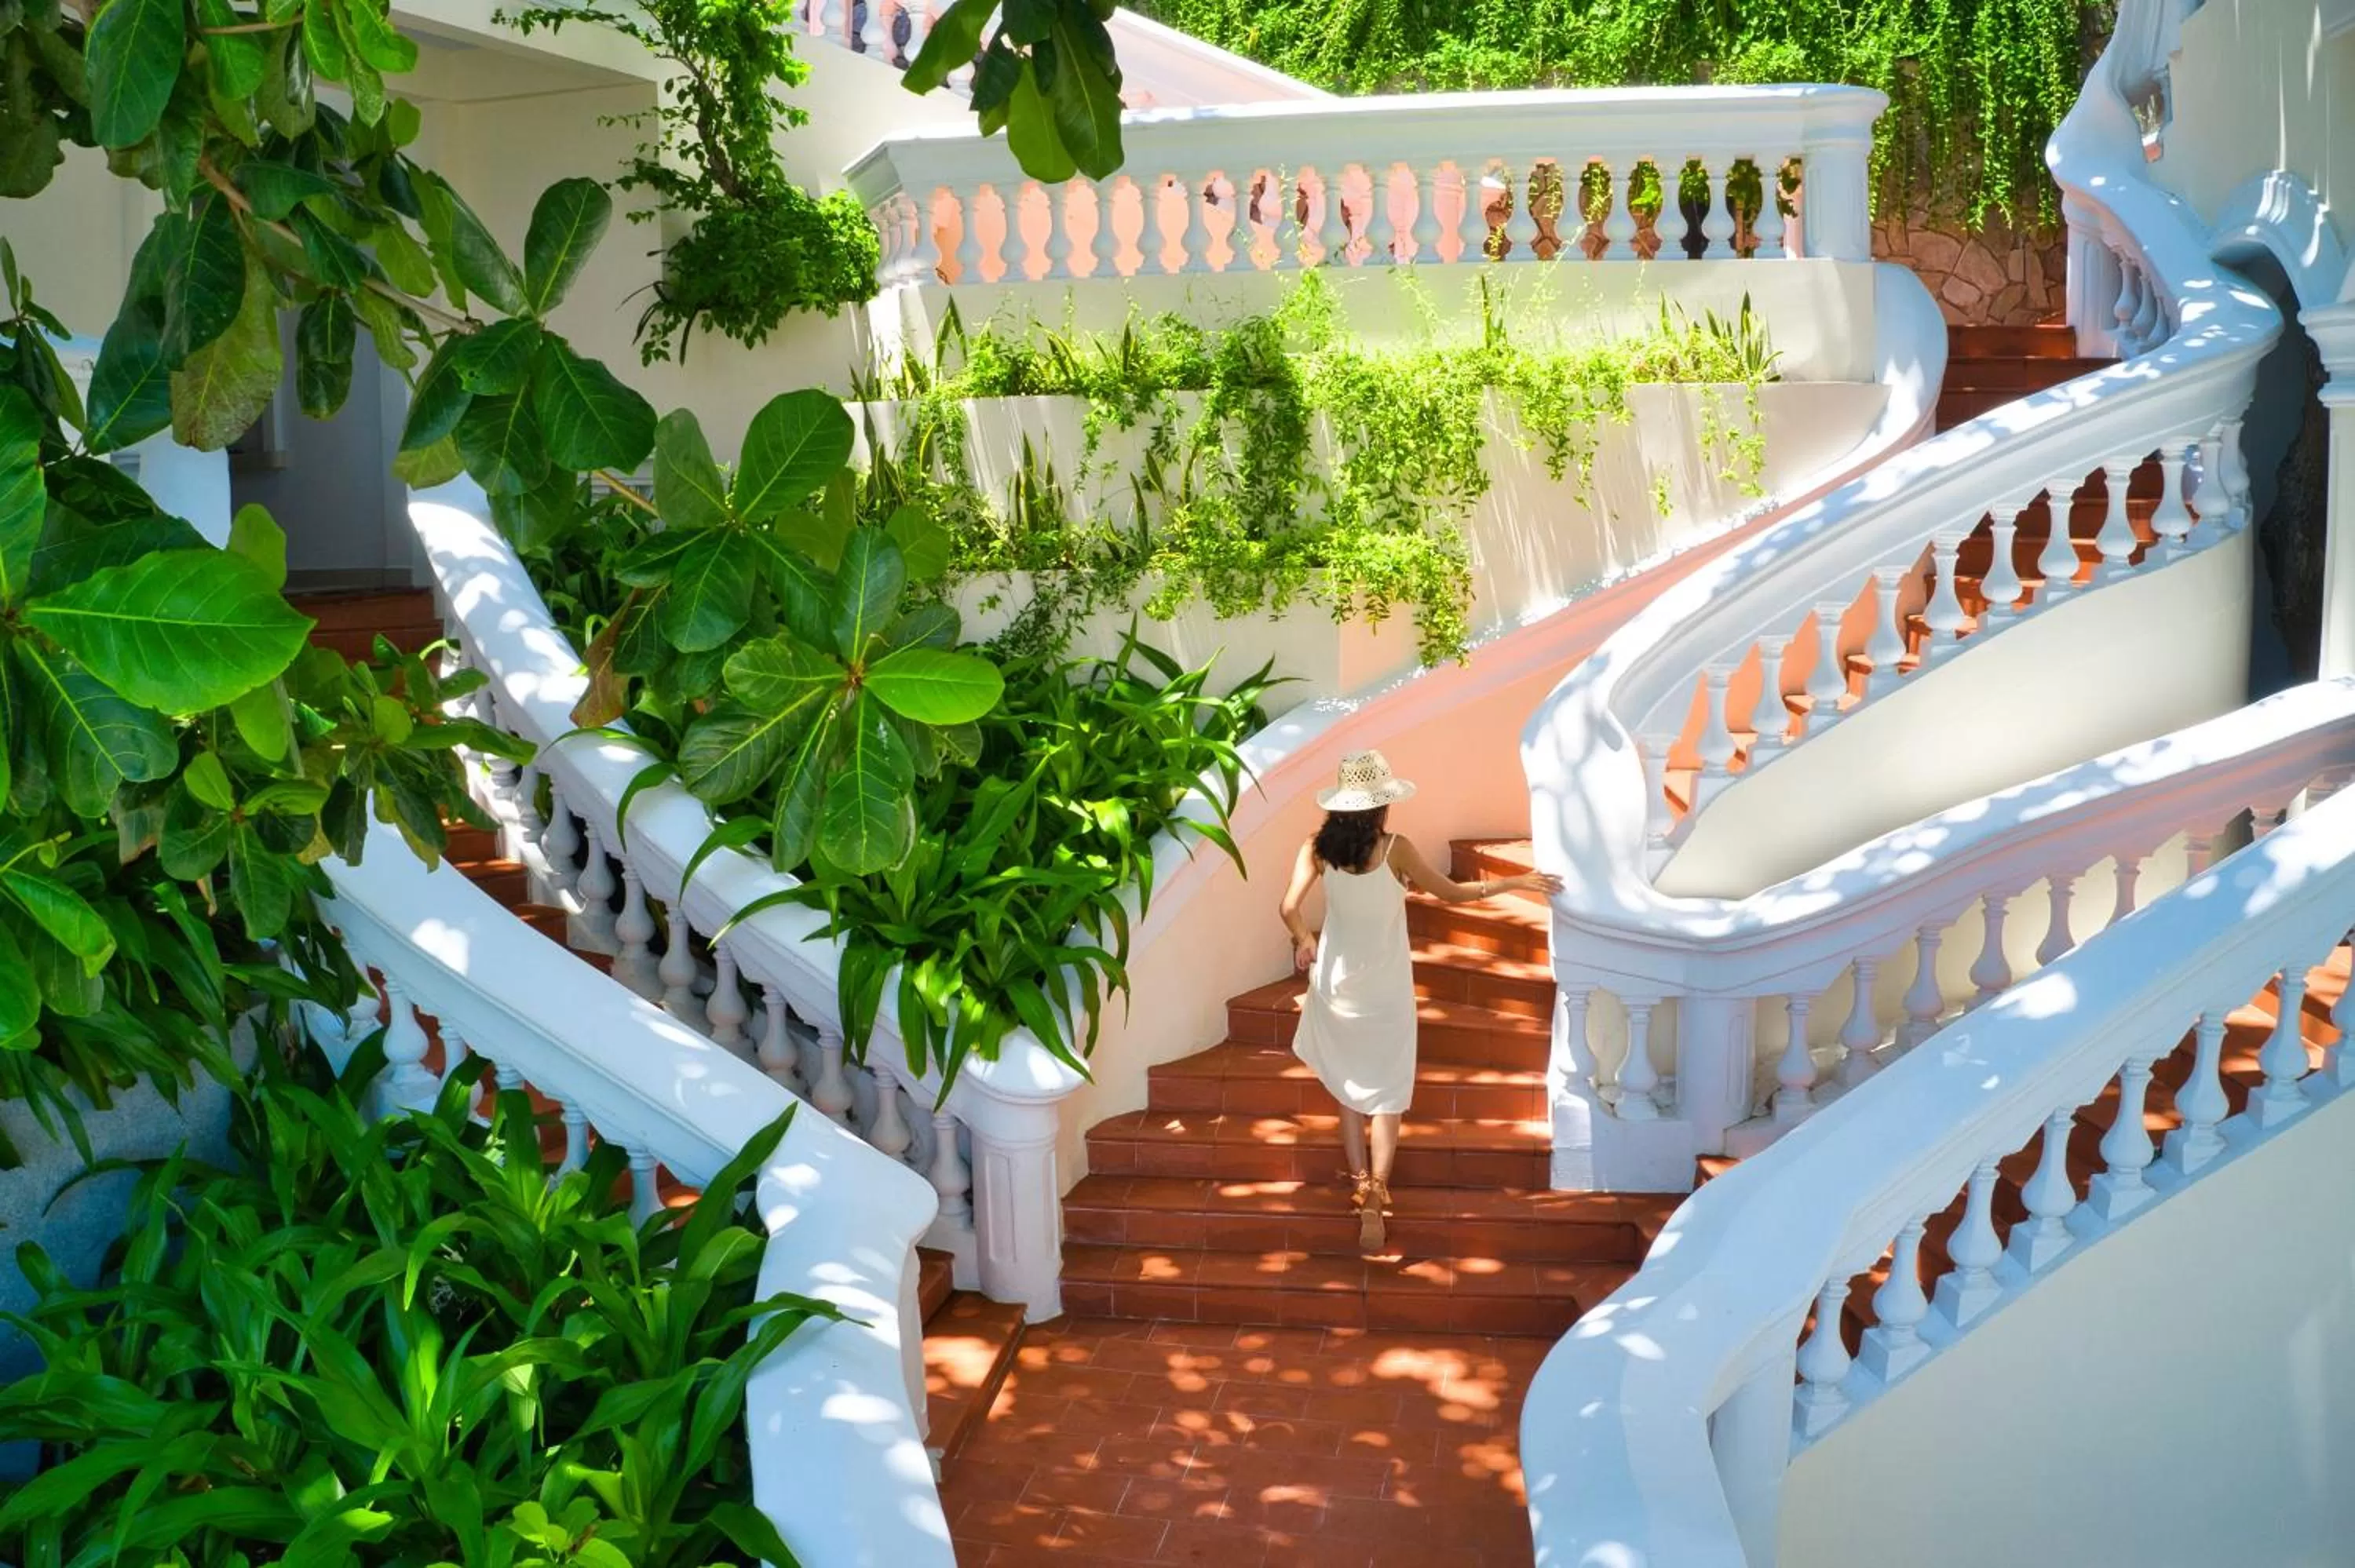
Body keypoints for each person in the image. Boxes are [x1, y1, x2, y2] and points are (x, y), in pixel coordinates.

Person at [1278, 751, 1562, 1252]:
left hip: (1337, 985)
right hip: (1386, 990)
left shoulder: (1316, 849)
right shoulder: (1395, 849)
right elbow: (1451, 894)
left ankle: (1360, 1181)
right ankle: (1377, 1195)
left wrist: (1304, 939)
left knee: (1347, 1091)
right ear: (1380, 806)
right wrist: (1515, 882)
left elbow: (1288, 907)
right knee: (1386, 1094)